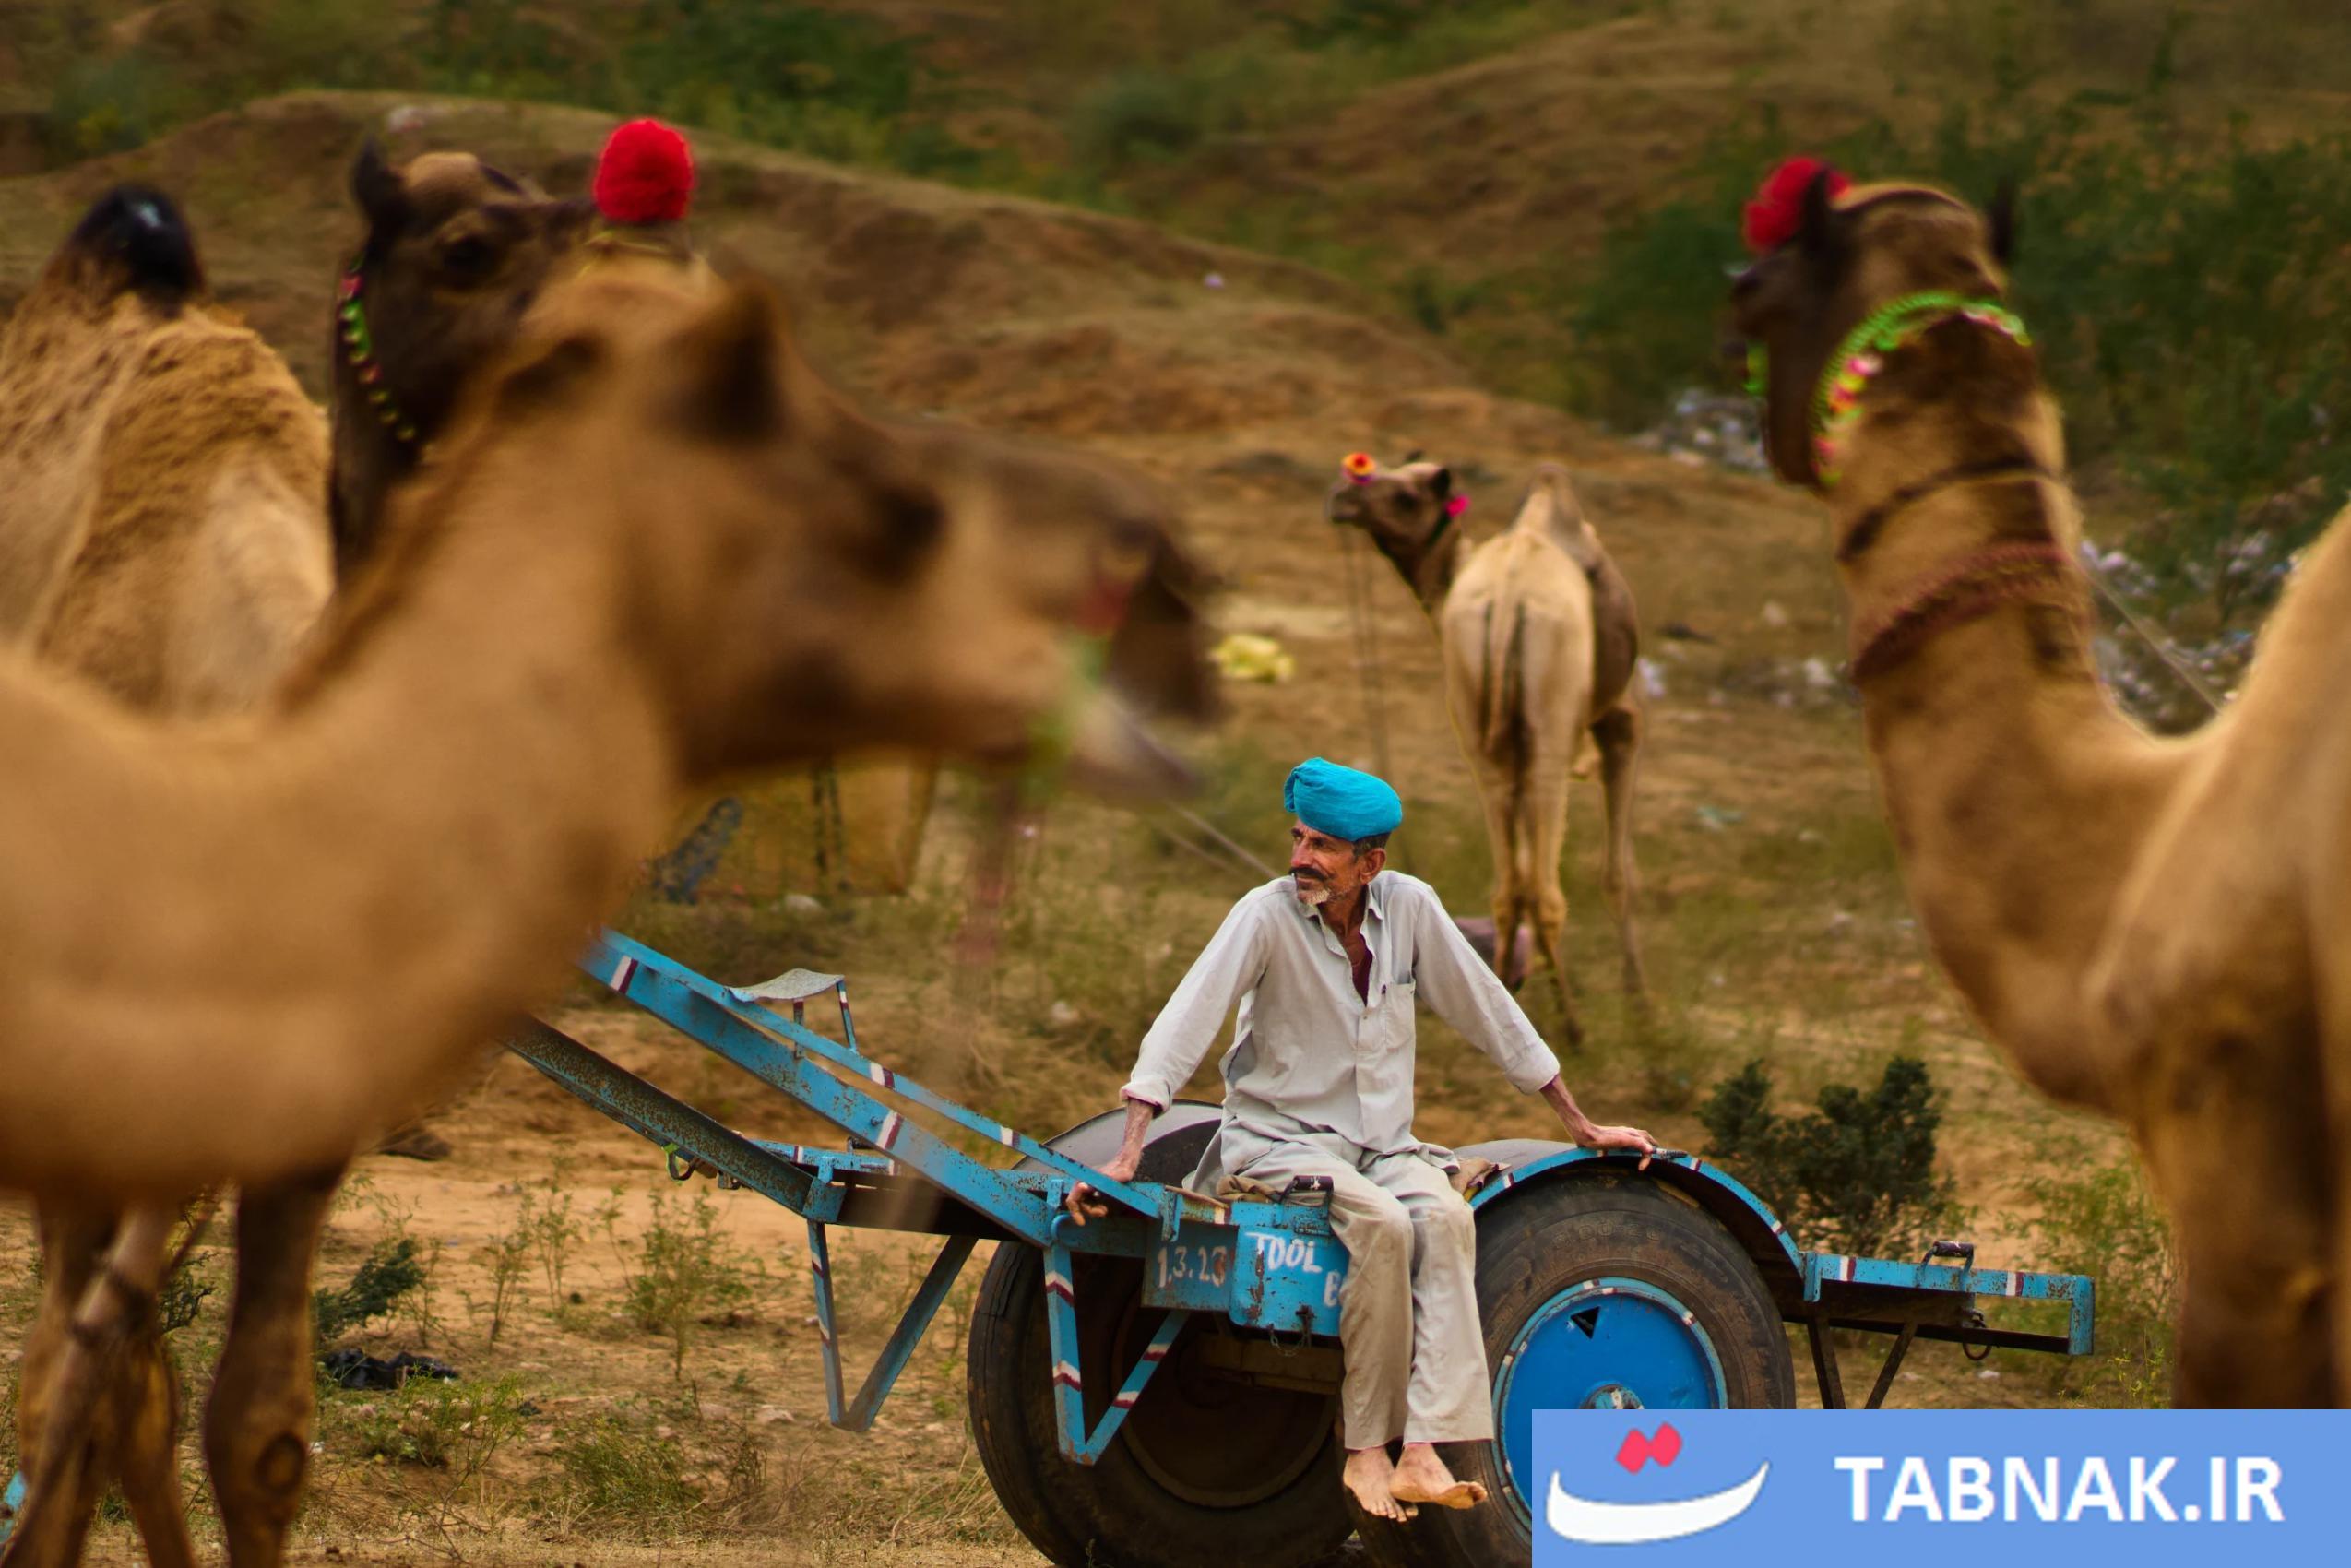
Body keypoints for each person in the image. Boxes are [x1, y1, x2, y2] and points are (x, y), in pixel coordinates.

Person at [1068, 757, 1657, 1521]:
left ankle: (1423, 1451)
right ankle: (1364, 1454)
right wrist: (1129, 1149)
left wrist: (1578, 1122)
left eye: (1321, 847)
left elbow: (1491, 1013)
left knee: (1445, 1218)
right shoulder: (1264, 913)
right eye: (1298, 837)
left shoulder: (1411, 908)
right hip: (1278, 1143)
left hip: (1381, 1148)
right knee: (1379, 1224)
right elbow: (1186, 1020)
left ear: (1370, 862)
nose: (1300, 859)